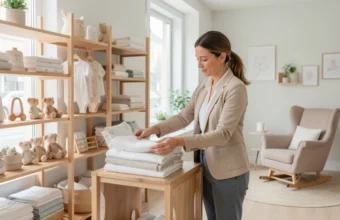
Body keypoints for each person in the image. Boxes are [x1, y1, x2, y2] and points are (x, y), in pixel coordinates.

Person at [135, 30, 250, 220]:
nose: (199, 65)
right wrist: (155, 128)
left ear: (221, 56)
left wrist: (179, 141)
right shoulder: (204, 86)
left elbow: (223, 134)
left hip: (229, 170)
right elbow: (183, 117)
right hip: (204, 162)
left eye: (204, 59)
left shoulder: (235, 88)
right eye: (197, 59)